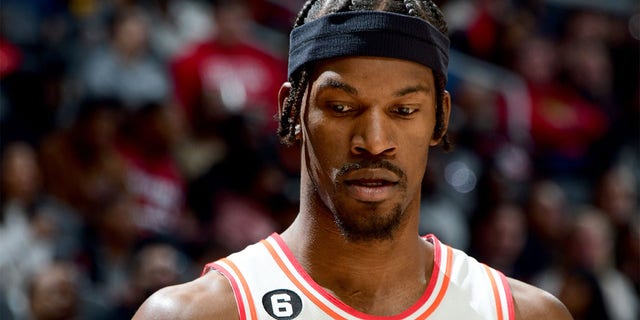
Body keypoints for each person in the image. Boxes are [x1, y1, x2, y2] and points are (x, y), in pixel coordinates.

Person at [134, 1, 572, 319]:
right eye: (343, 107)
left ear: (441, 120)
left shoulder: (524, 313)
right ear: (293, 111)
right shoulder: (198, 313)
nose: (374, 141)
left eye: (404, 111)